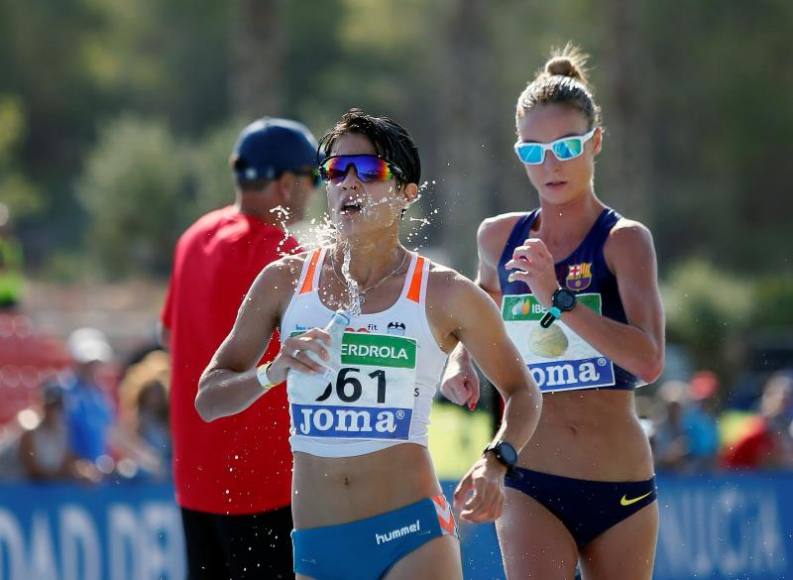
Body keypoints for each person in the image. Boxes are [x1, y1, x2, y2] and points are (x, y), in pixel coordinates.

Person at [195, 108, 542, 580]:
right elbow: (209, 399)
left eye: (368, 170)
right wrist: (272, 372)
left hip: (411, 534)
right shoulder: (284, 281)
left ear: (406, 193)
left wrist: (496, 463)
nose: (349, 183)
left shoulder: (445, 293)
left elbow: (523, 391)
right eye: (337, 170)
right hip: (319, 547)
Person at [440, 45, 665, 579]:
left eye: (566, 146)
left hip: (620, 486)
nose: (551, 164)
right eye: (533, 151)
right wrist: (460, 360)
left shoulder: (624, 241)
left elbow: (649, 361)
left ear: (596, 141)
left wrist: (559, 298)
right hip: (530, 478)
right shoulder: (498, 238)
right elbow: (475, 315)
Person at [160, 117, 321, 578]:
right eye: (312, 179)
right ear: (286, 183)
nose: (313, 193)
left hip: (195, 477)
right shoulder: (283, 254)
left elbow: (168, 336)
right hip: (264, 483)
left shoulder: (192, 239)